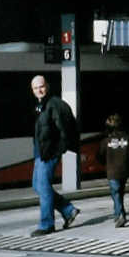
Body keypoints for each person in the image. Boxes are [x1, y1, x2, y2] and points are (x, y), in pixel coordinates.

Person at [30, 75, 80, 236]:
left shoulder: (55, 104)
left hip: (49, 152)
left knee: (43, 185)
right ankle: (68, 210)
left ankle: (47, 224)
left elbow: (65, 130)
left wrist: (59, 149)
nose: (39, 90)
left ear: (47, 86)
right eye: (35, 88)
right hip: (40, 152)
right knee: (37, 185)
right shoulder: (41, 105)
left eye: (41, 86)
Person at [98, 114, 129, 227]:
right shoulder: (128, 138)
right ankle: (118, 213)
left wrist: (105, 164)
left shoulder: (106, 141)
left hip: (112, 171)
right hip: (124, 171)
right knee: (120, 193)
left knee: (115, 193)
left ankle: (120, 215)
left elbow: (99, 156)